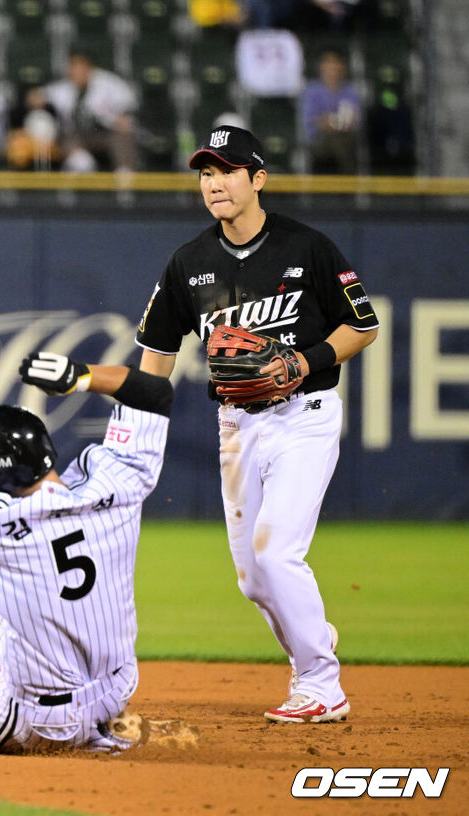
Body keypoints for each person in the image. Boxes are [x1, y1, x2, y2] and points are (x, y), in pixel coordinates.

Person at [135, 125, 379, 723]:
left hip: (305, 417)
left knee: (276, 556)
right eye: (205, 173)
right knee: (253, 579)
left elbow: (363, 324)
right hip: (236, 427)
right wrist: (134, 434)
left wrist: (305, 360)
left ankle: (321, 683)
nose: (213, 184)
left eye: (225, 171)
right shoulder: (188, 263)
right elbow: (156, 357)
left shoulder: (307, 247)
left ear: (258, 179)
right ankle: (312, 639)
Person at [0, 301, 173, 752]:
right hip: (119, 691)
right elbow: (154, 393)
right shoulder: (121, 484)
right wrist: (81, 376)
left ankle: (75, 739)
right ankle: (105, 725)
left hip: (45, 721)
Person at [26, 48, 137, 173]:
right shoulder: (64, 88)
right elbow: (34, 97)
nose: (76, 70)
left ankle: (125, 175)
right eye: (73, 66)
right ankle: (81, 169)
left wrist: (123, 117)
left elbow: (129, 108)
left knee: (123, 135)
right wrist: (37, 99)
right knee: (69, 142)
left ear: (90, 67)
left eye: (80, 66)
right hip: (75, 137)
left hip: (105, 134)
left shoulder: (110, 84)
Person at [300, 48, 362, 174]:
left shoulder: (350, 91)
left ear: (342, 67)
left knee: (342, 142)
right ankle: (342, 178)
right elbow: (311, 120)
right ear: (321, 67)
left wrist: (340, 123)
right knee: (334, 142)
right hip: (318, 141)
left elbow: (355, 119)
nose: (332, 68)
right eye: (328, 63)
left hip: (346, 138)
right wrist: (330, 123)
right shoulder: (312, 91)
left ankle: (345, 183)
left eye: (336, 63)